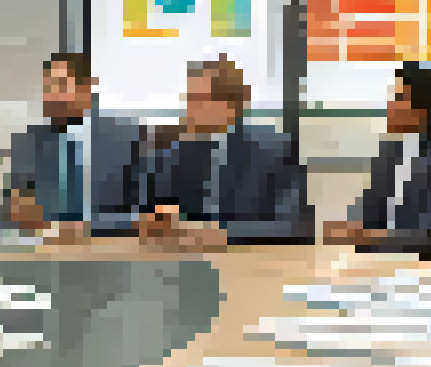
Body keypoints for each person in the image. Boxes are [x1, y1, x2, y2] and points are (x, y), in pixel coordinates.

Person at [134, 58, 314, 247]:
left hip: (251, 262)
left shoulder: (277, 150)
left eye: (197, 99)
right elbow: (152, 209)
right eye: (188, 99)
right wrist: (155, 220)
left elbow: (297, 226)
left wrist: (226, 235)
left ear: (229, 104)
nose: (189, 109)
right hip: (188, 260)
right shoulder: (178, 151)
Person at [323, 62, 431, 255]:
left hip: (430, 271)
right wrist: (346, 228)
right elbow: (365, 215)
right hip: (380, 265)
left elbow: (430, 239)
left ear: (423, 110)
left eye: (399, 98)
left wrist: (366, 236)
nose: (390, 105)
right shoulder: (388, 155)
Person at [0, 52, 144, 242]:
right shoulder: (28, 144)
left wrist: (87, 227)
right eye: (47, 88)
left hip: (112, 252)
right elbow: (8, 219)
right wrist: (17, 215)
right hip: (44, 257)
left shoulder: (127, 138)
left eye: (60, 85)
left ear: (86, 88)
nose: (51, 95)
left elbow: (147, 216)